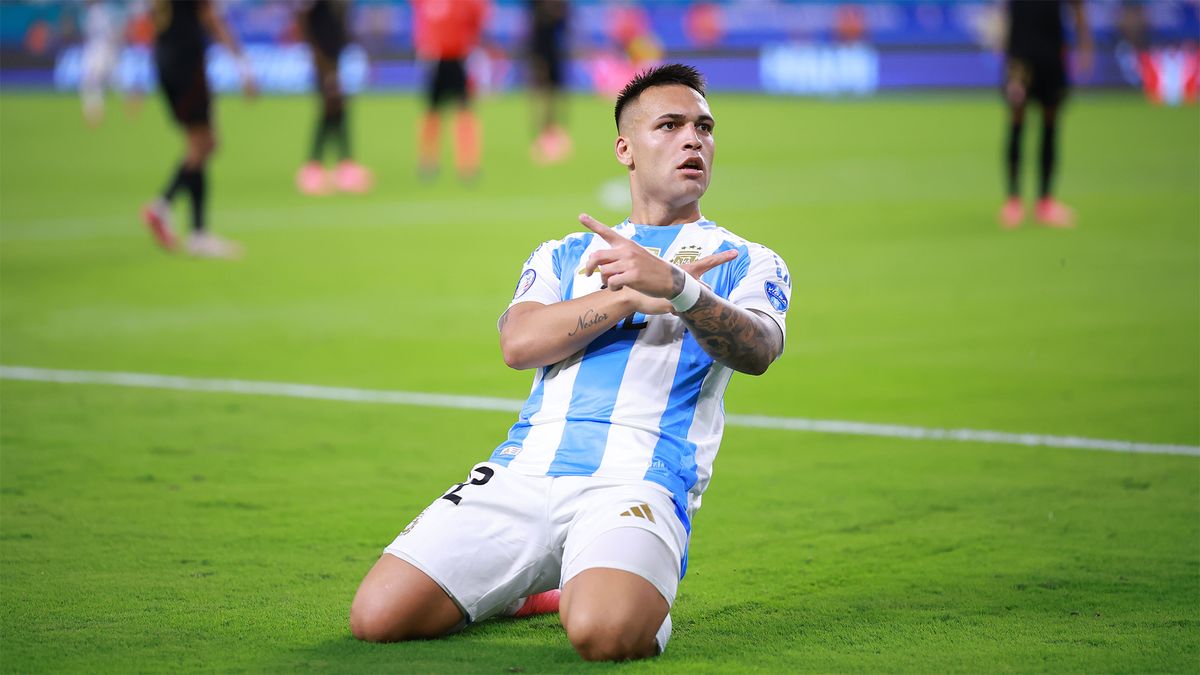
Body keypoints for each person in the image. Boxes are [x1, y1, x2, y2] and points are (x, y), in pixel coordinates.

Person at [349, 64, 791, 661]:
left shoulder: (747, 259)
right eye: (670, 125)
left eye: (704, 127)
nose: (694, 139)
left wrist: (683, 292)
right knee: (377, 618)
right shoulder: (565, 253)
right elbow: (519, 344)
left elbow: (759, 350)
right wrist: (628, 299)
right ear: (625, 148)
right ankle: (533, 586)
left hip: (640, 479)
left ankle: (619, 593)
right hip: (524, 471)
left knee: (603, 635)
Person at [141, 0, 256, 258]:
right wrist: (241, 61)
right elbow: (209, 15)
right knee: (205, 143)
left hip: (164, 58)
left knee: (201, 143)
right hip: (186, 62)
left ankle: (193, 229)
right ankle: (172, 212)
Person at [999, 0, 1092, 229]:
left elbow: (1077, 7)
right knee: (1016, 121)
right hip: (1020, 56)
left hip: (1051, 54)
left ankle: (1045, 202)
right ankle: (1013, 201)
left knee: (1050, 124)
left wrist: (1084, 45)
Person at [294, 0, 372, 195]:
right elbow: (305, 20)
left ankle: (340, 164)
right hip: (323, 61)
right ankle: (317, 167)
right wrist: (322, 63)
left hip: (335, 59)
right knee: (331, 109)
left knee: (337, 109)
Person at [411, 0, 488, 181]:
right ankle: (427, 161)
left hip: (459, 59)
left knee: (464, 112)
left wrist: (472, 45)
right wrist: (422, 42)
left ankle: (468, 164)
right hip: (436, 60)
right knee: (432, 112)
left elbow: (479, 19)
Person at [527, 0, 571, 165]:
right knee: (540, 91)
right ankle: (541, 130)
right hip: (540, 49)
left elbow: (564, 19)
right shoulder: (536, 6)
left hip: (555, 50)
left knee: (556, 93)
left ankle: (555, 129)